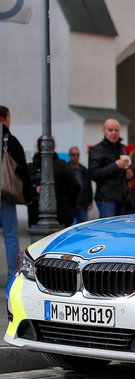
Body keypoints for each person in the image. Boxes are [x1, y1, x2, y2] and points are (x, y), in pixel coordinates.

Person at [0, 106, 33, 283]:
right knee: (11, 237)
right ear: (4, 118)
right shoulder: (9, 141)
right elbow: (22, 170)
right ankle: (12, 277)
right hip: (4, 196)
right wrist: (28, 196)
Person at [27, 138, 80, 228]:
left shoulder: (31, 168)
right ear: (54, 147)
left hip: (36, 217)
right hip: (61, 216)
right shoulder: (62, 166)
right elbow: (75, 187)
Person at [89, 118, 132, 217]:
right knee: (109, 226)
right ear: (104, 130)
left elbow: (122, 171)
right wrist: (115, 165)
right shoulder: (96, 150)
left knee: (121, 226)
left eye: (116, 130)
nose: (114, 133)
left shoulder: (122, 148)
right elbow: (94, 174)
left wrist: (129, 175)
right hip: (106, 199)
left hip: (123, 198)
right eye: (110, 130)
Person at [67, 146, 92, 222]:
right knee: (68, 226)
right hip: (70, 204)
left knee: (83, 225)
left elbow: (88, 186)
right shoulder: (66, 169)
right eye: (73, 154)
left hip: (82, 204)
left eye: (77, 154)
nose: (76, 156)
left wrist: (90, 201)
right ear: (69, 156)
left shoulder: (84, 170)